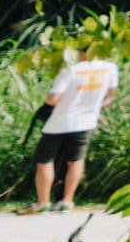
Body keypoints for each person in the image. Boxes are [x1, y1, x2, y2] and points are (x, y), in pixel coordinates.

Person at [31, 49, 118, 211]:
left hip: (58, 122)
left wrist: (51, 106)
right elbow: (110, 96)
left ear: (80, 51)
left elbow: (52, 98)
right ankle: (67, 201)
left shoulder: (70, 69)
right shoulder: (110, 68)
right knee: (76, 160)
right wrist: (93, 108)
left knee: (44, 161)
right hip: (86, 121)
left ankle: (42, 202)